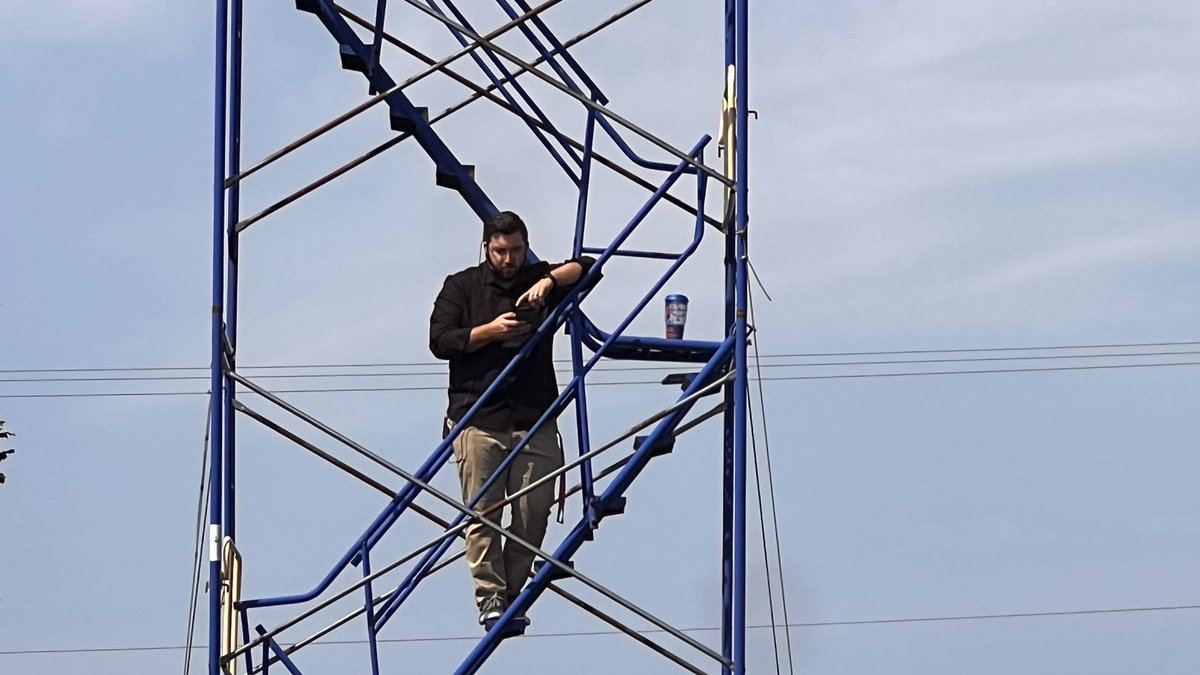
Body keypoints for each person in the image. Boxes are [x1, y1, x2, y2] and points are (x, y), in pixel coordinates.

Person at [428, 210, 599, 629]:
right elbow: (440, 340)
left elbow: (591, 268)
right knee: (483, 515)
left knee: (532, 514)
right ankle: (491, 599)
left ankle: (509, 594)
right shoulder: (461, 286)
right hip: (478, 418)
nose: (509, 259)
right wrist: (490, 331)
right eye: (502, 251)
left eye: (517, 251)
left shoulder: (537, 277)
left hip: (534, 416)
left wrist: (550, 281)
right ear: (487, 247)